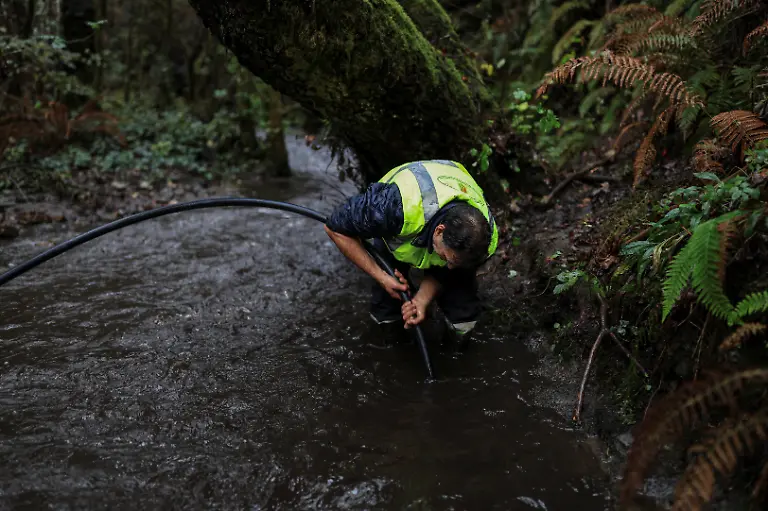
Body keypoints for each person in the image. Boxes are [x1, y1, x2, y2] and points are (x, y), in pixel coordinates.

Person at [323, 159, 498, 339]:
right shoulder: (390, 208)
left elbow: (450, 270)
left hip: (449, 208)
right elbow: (335, 228)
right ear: (439, 231)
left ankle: (458, 342)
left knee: (462, 305)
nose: (449, 266)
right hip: (398, 225)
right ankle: (390, 338)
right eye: (447, 258)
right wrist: (382, 277)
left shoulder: (483, 242)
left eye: (454, 261)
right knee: (387, 302)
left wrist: (421, 299)